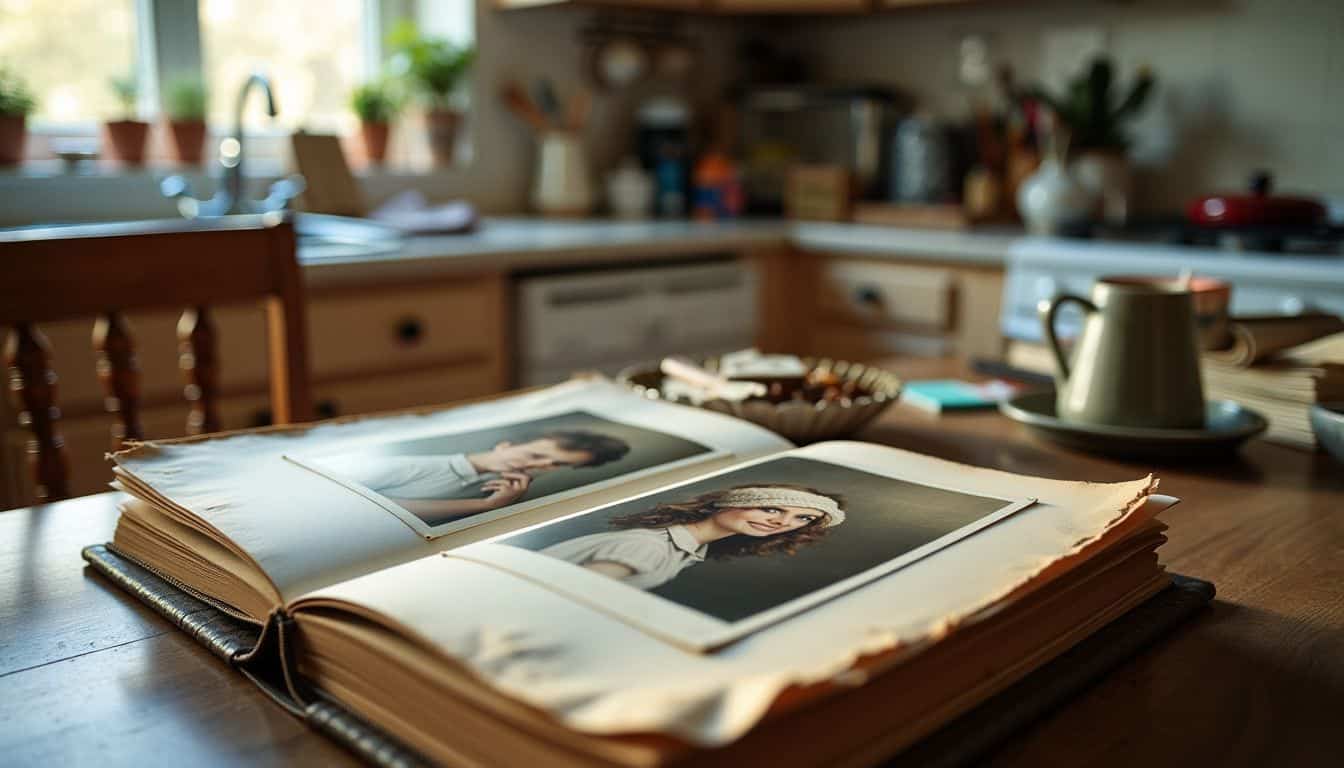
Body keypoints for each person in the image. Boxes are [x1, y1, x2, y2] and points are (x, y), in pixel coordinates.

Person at [537, 484, 845, 590]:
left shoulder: (688, 550)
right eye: (770, 508)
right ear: (731, 503)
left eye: (803, 518)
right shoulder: (648, 546)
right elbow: (566, 597)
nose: (782, 523)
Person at [318, 430, 630, 525]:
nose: (540, 465)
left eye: (555, 465)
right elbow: (354, 506)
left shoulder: (503, 489)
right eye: (536, 455)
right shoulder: (416, 466)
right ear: (506, 443)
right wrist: (484, 507)